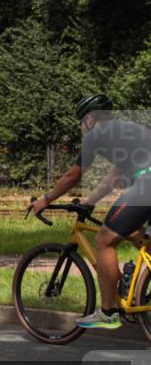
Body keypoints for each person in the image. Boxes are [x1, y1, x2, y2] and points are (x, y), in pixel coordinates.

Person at [30, 94, 151, 329]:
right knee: (136, 232)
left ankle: (108, 313)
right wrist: (90, 201)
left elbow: (73, 176)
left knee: (104, 239)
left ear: (90, 118)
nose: (82, 127)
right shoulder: (130, 130)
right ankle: (134, 286)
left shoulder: (97, 133)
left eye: (81, 121)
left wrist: (45, 199)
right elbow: (115, 176)